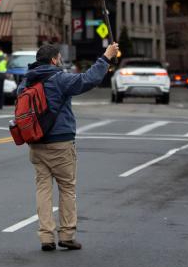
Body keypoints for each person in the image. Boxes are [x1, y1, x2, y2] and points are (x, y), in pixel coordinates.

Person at [18, 42, 118, 252]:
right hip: (60, 141)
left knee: (43, 188)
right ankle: (67, 235)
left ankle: (46, 237)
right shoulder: (59, 79)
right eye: (59, 58)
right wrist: (106, 57)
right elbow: (88, 80)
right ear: (54, 59)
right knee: (67, 187)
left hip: (35, 142)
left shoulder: (26, 81)